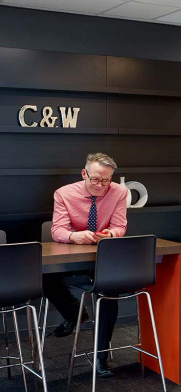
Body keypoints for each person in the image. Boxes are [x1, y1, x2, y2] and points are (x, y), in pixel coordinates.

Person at [44, 152, 129, 378]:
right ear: (84, 173)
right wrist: (74, 236)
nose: (101, 186)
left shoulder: (120, 192)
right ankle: (75, 314)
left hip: (103, 257)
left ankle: (101, 356)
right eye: (95, 179)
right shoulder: (64, 193)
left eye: (106, 180)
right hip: (72, 258)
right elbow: (57, 230)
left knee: (110, 289)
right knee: (44, 278)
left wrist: (111, 233)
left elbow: (120, 226)